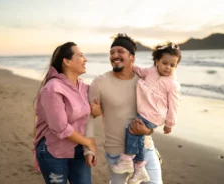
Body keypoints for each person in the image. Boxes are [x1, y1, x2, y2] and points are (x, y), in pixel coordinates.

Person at [84, 34, 163, 184]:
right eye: (112, 52)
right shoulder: (100, 83)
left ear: (132, 57)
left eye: (120, 51)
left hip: (145, 149)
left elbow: (155, 114)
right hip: (117, 154)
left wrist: (148, 131)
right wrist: (88, 149)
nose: (115, 56)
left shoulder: (144, 81)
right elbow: (88, 118)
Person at [111, 42, 182, 184]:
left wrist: (170, 124)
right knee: (138, 137)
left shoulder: (172, 84)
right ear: (157, 61)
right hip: (146, 113)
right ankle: (139, 169)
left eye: (172, 65)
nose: (168, 67)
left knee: (132, 130)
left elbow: (174, 105)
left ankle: (128, 159)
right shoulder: (150, 71)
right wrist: (128, 65)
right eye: (165, 63)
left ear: (176, 66)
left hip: (155, 115)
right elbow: (139, 70)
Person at [33, 42, 101, 184]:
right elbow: (60, 127)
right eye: (81, 55)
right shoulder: (52, 89)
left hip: (78, 148)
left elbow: (89, 114)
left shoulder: (83, 87)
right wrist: (88, 143)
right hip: (53, 150)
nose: (85, 59)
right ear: (67, 61)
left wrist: (98, 111)